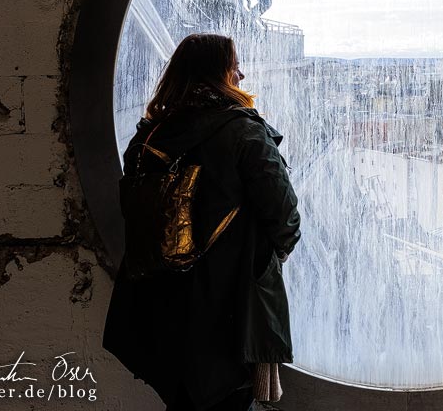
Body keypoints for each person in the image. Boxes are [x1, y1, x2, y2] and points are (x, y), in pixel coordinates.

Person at [103, 33, 302, 411]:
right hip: (230, 303)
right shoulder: (243, 131)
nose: (241, 75)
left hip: (159, 300)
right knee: (228, 397)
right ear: (217, 75)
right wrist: (267, 257)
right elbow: (284, 215)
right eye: (233, 67)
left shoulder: (150, 134)